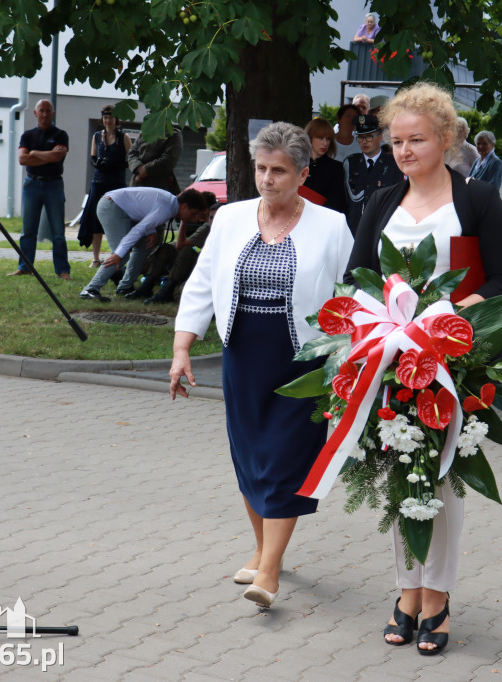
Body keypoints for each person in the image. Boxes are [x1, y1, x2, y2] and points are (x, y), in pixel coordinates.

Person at [346, 82, 502, 655]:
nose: (402, 150)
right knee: (402, 476)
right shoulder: (379, 202)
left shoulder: (477, 201)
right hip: (390, 361)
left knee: (441, 481)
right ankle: (406, 591)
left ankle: (436, 597)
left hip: (452, 362)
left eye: (415, 139)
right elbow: (357, 280)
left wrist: (454, 315)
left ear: (445, 139)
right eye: (396, 140)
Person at [171, 122, 353, 610]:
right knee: (249, 454)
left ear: (302, 173)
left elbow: (350, 298)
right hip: (244, 353)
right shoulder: (229, 218)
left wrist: (348, 362)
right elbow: (203, 283)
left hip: (303, 357)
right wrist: (182, 348)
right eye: (261, 169)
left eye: (279, 171)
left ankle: (269, 572)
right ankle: (261, 548)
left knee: (284, 458)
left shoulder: (332, 225)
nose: (268, 179)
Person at [79, 186, 207, 301]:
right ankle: (90, 289)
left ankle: (125, 287)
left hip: (120, 208)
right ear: (184, 206)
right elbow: (137, 230)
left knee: (145, 245)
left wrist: (151, 230)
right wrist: (119, 253)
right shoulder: (166, 209)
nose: (195, 219)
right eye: (194, 214)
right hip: (112, 206)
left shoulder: (170, 204)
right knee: (121, 255)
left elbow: (144, 212)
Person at [10, 99, 70, 279]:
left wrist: (34, 153)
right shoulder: (27, 136)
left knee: (58, 232)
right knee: (28, 230)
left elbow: (57, 157)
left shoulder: (61, 135)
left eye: (48, 111)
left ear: (53, 113)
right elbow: (22, 160)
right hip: (32, 184)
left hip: (54, 185)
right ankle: (25, 267)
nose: (44, 114)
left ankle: (62, 270)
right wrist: (47, 155)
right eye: (41, 110)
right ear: (35, 113)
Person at [137, 193, 219, 304]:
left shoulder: (208, 226)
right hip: (196, 263)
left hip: (205, 267)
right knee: (166, 248)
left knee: (187, 250)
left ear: (204, 210)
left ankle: (166, 291)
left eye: (194, 213)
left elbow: (181, 244)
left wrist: (183, 221)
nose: (193, 218)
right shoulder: (206, 224)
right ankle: (147, 286)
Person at [77, 104, 130, 268]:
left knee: (117, 219)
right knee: (95, 220)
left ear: (116, 119)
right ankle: (95, 258)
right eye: (105, 117)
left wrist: (115, 164)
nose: (108, 121)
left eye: (111, 118)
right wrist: (99, 163)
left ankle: (117, 255)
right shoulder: (97, 136)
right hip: (99, 182)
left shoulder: (124, 137)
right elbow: (93, 157)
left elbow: (131, 159)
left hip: (117, 183)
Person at [342, 113, 402, 234]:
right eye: (360, 137)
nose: (364, 141)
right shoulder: (350, 163)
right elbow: (344, 200)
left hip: (382, 229)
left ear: (380, 138)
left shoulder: (394, 164)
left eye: (369, 136)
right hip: (354, 230)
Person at [300, 117, 346, 213]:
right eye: (320, 138)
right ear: (309, 137)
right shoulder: (296, 164)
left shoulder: (336, 168)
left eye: (328, 139)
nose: (325, 143)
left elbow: (337, 203)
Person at [128, 123, 182, 192]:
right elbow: (132, 153)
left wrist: (145, 170)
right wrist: (138, 168)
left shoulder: (173, 134)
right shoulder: (144, 132)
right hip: (137, 185)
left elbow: (169, 159)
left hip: (159, 187)